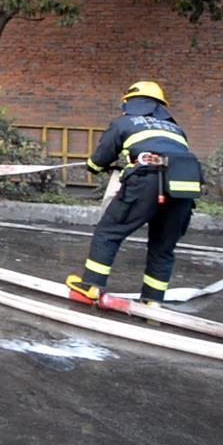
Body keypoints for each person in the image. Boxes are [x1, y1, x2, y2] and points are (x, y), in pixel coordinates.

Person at [65, 81, 203, 306]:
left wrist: (93, 167)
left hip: (148, 180)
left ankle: (91, 286)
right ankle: (153, 300)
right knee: (163, 247)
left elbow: (100, 158)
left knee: (108, 232)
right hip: (184, 186)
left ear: (130, 103)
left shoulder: (125, 122)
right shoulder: (177, 129)